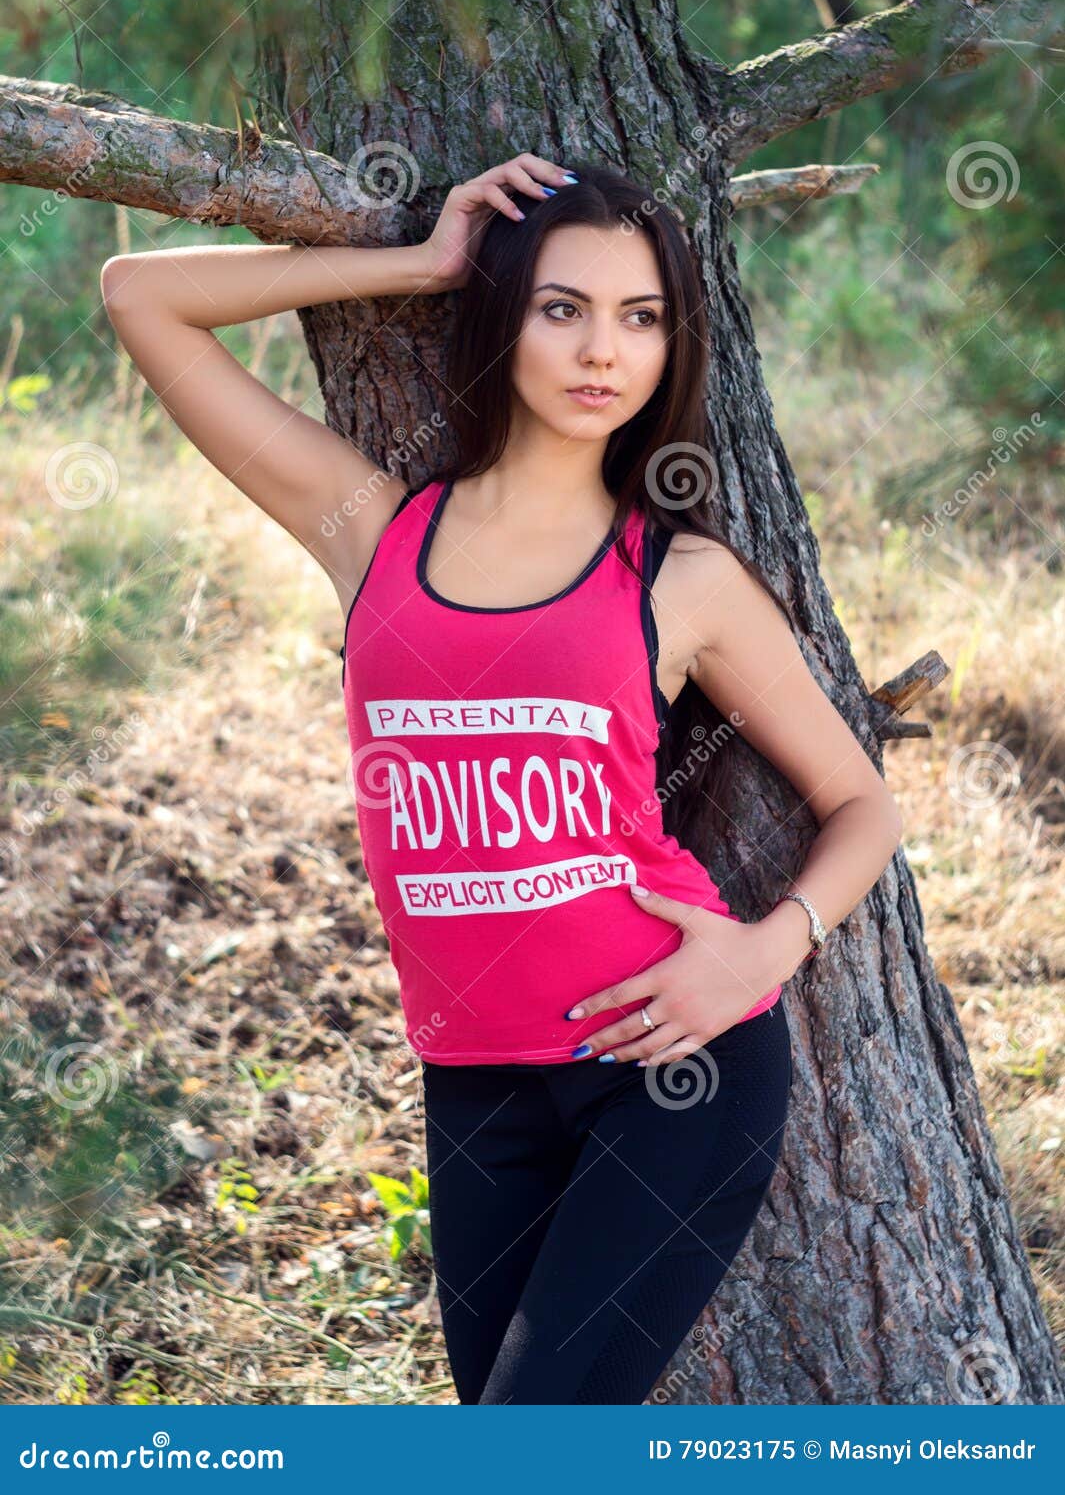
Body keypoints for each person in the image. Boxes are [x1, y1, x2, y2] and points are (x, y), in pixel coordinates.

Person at [100, 152, 903, 1405]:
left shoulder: (676, 579)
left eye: (641, 318)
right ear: (503, 311)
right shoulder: (373, 527)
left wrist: (768, 947)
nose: (603, 352)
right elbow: (140, 295)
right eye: (562, 307)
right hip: (474, 1085)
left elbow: (866, 803)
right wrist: (423, 258)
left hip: (670, 1075)